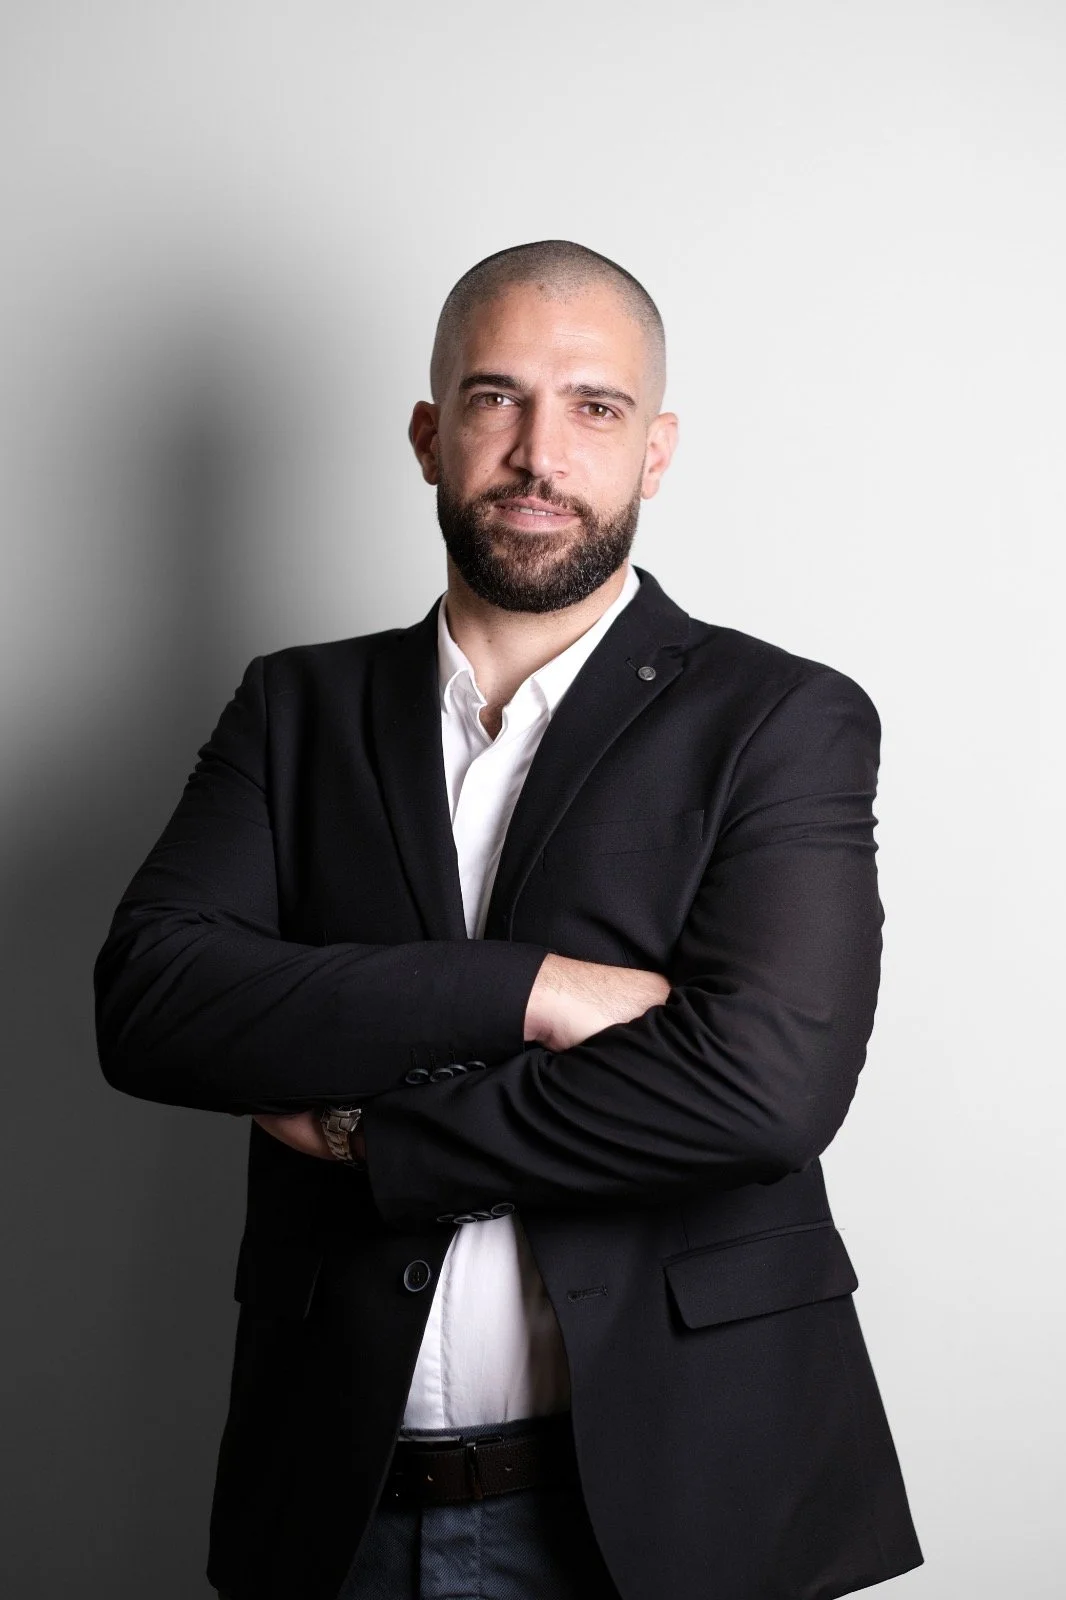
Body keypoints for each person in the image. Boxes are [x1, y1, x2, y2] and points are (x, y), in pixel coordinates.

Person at [93, 239, 924, 1600]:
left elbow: (763, 1090)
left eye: (592, 407)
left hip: (683, 1502)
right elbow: (154, 1003)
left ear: (654, 452)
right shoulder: (293, 711)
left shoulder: (775, 718)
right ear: (428, 436)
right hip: (339, 1505)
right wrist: (535, 991)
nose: (540, 451)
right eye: (495, 398)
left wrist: (381, 1140)